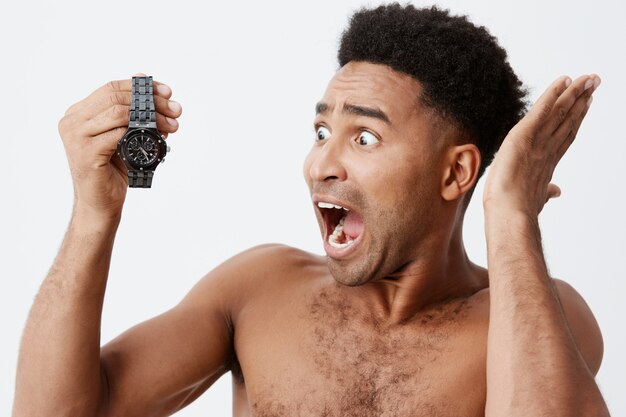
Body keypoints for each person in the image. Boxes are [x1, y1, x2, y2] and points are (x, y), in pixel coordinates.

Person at [12, 3, 610, 417]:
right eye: (322, 129)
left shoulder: (538, 319)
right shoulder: (256, 290)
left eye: (365, 138)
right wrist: (94, 213)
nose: (320, 162)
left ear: (457, 173)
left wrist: (511, 218)